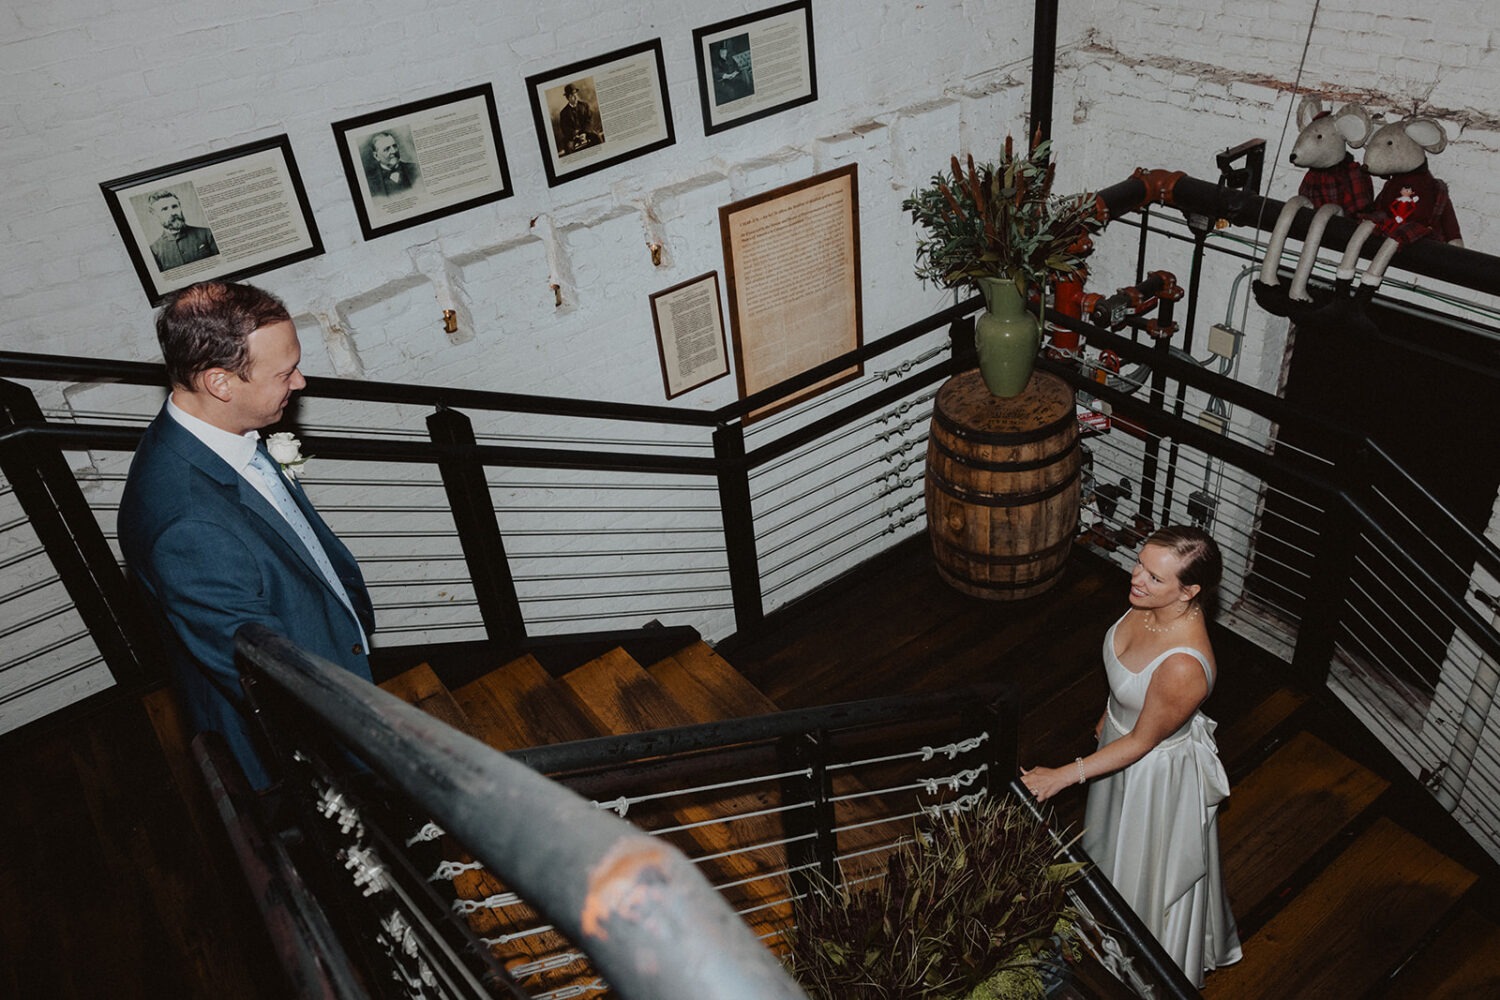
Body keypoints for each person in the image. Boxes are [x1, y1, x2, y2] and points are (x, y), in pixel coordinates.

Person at [118, 281, 375, 790]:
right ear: (220, 383)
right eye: (284, 372)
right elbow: (271, 683)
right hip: (305, 744)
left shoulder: (216, 437)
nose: (300, 382)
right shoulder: (188, 527)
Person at [1020, 525, 1242, 986]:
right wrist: (1111, 711)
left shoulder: (1184, 665)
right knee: (1103, 847)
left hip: (1151, 775)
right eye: (1140, 562)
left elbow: (1142, 743)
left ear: (1189, 591)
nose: (1137, 577)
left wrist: (1062, 776)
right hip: (1118, 748)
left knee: (1138, 870)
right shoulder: (1148, 605)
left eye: (1155, 577)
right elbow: (1130, 681)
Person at [147, 190, 219, 271]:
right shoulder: (154, 250)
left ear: (180, 207)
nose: (173, 212)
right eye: (164, 209)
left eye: (174, 206)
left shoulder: (207, 234)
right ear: (154, 214)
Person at [364, 131, 421, 198]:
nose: (394, 151)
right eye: (387, 149)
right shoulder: (368, 182)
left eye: (394, 146)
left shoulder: (416, 168)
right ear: (376, 156)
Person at [557, 83, 601, 154]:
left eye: (575, 93)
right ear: (568, 98)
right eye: (572, 95)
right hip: (573, 137)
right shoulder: (564, 113)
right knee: (568, 147)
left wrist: (584, 133)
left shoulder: (585, 105)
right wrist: (575, 135)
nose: (575, 96)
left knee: (597, 137)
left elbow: (589, 120)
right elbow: (564, 128)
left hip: (586, 132)